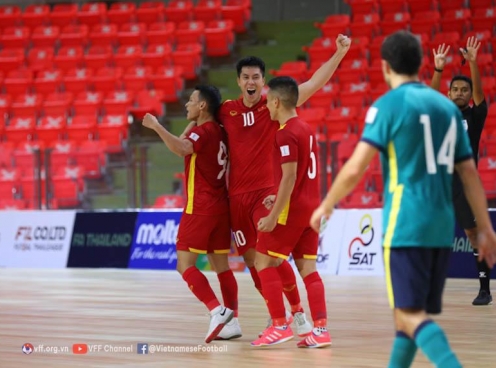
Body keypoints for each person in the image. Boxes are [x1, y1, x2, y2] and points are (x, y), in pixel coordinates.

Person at [310, 31, 496, 367]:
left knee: (411, 317)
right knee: (406, 320)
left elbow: (354, 168)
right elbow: (469, 173)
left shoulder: (388, 105)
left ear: (384, 67)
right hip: (440, 227)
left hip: (406, 225)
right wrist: (485, 226)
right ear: (422, 63)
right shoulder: (447, 110)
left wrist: (326, 204)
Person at [214, 34, 351, 336]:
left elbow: (315, 83)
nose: (251, 81)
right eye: (246, 77)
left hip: (267, 193)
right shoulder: (226, 110)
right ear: (239, 81)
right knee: (252, 261)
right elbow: (200, 117)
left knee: (270, 258)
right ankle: (278, 314)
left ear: (263, 82)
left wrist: (338, 54)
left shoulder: (274, 105)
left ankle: (295, 314)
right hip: (237, 197)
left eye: (256, 77)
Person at [141, 85, 238, 343]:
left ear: (203, 106)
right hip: (221, 207)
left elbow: (183, 148)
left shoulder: (202, 133)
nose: (186, 104)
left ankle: (217, 311)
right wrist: (191, 124)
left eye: (191, 101)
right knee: (222, 268)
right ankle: (233, 320)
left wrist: (156, 126)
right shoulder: (218, 131)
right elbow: (188, 140)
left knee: (183, 264)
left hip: (201, 207)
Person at [250, 76, 332, 348]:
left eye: (268, 101)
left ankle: (279, 326)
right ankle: (320, 331)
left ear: (276, 101)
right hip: (311, 208)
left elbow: (290, 175)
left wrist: (274, 214)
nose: (267, 107)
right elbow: (302, 177)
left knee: (264, 263)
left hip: (291, 211)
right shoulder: (306, 128)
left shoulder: (284, 132)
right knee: (308, 269)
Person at [431, 38, 491, 305]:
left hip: (465, 186)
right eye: (454, 89)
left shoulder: (474, 117)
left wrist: (475, 63)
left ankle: (485, 289)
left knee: (472, 236)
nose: (459, 92)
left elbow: (480, 95)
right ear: (448, 94)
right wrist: (438, 70)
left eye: (464, 90)